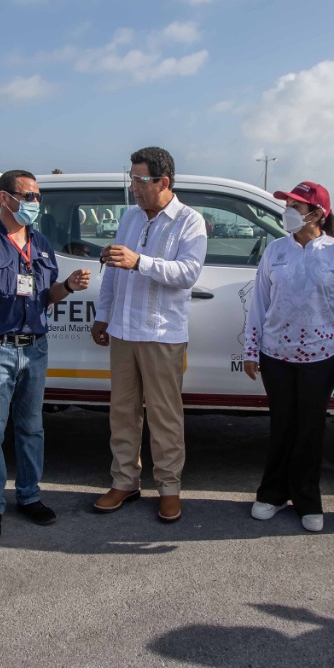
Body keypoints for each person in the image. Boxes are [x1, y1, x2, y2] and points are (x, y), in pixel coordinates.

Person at [0, 170, 91, 543]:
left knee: (32, 428)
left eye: (37, 197)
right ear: (4, 198)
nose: (35, 203)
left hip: (35, 348)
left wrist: (68, 286)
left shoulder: (39, 242)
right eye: (28, 196)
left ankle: (29, 496)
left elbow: (45, 296)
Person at [91, 147, 207, 523]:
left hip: (162, 334)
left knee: (164, 416)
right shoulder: (130, 217)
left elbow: (188, 273)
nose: (133, 188)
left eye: (139, 180)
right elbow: (113, 270)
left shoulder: (189, 221)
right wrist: (103, 315)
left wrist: (139, 261)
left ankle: (169, 487)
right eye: (132, 179)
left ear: (163, 181)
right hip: (123, 330)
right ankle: (124, 481)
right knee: (123, 412)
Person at [242, 181, 334, 533]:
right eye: (288, 205)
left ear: (318, 213)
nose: (288, 212)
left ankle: (307, 499)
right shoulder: (275, 250)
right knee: (282, 425)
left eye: (296, 206)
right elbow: (259, 303)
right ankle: (272, 494)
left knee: (310, 429)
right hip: (275, 355)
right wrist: (251, 349)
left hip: (320, 358)